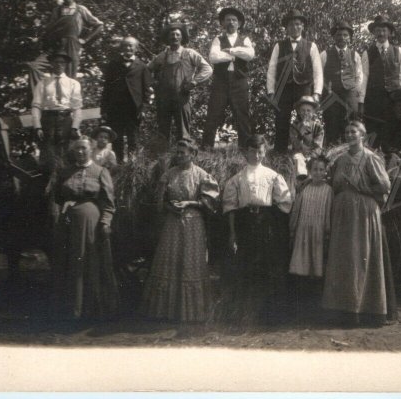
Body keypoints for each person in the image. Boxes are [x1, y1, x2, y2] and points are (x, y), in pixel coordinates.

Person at [322, 120, 397, 327]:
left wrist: (362, 187)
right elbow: (333, 184)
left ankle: (368, 311)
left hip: (363, 211)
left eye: (353, 132)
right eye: (346, 132)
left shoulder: (371, 158)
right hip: (342, 213)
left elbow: (384, 185)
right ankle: (342, 310)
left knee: (361, 256)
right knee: (344, 258)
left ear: (362, 136)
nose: (349, 135)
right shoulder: (340, 160)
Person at [140, 139, 219, 323]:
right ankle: (167, 311)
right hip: (172, 223)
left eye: (183, 152)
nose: (180, 155)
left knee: (190, 263)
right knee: (170, 262)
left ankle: (193, 313)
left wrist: (189, 203)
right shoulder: (168, 174)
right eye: (178, 152)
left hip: (193, 224)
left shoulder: (201, 175)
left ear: (193, 154)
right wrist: (169, 206)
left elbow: (209, 203)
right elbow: (159, 201)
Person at [222, 134, 293, 325]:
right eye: (252, 151)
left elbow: (285, 203)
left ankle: (268, 315)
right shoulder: (236, 179)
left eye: (259, 151)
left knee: (267, 266)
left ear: (264, 152)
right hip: (245, 223)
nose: (256, 155)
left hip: (266, 223)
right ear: (246, 152)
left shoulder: (272, 176)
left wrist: (270, 221)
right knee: (246, 265)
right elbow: (230, 207)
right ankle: (245, 314)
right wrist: (233, 233)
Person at [51, 137, 118, 320]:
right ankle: (69, 308)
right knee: (67, 260)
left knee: (86, 260)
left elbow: (109, 203)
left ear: (91, 150)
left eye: (83, 149)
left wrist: (106, 222)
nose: (80, 152)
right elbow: (57, 196)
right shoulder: (65, 172)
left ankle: (89, 309)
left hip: (90, 221)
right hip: (67, 220)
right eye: (77, 149)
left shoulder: (100, 171)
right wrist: (66, 204)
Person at [267, 10, 323, 153]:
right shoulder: (279, 45)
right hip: (283, 89)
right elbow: (272, 69)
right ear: (287, 28)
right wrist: (271, 91)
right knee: (281, 119)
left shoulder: (311, 46)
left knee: (305, 121)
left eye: (298, 24)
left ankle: (305, 153)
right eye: (291, 25)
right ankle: (280, 153)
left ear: (302, 26)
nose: (294, 27)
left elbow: (317, 71)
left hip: (304, 88)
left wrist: (316, 92)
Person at [148, 22, 213, 147]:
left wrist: (194, 82)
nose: (174, 37)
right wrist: (153, 84)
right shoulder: (162, 56)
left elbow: (208, 69)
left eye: (177, 35)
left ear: (182, 37)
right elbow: (146, 71)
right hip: (163, 98)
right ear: (168, 38)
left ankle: (184, 160)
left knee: (183, 133)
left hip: (182, 97)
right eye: (172, 35)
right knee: (162, 132)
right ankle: (162, 160)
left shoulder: (189, 53)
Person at [201, 7, 255, 149]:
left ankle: (245, 149)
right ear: (223, 23)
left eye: (234, 20)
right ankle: (206, 148)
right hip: (221, 82)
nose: (231, 22)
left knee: (242, 115)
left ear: (239, 23)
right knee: (213, 113)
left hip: (239, 81)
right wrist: (237, 54)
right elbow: (213, 57)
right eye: (228, 20)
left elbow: (250, 55)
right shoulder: (218, 40)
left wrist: (231, 51)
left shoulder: (245, 39)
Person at [288, 155, 333, 321]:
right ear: (309, 171)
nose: (318, 173)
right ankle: (301, 310)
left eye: (322, 170)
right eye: (315, 169)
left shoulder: (328, 190)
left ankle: (316, 310)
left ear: (326, 172)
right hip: (303, 232)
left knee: (317, 268)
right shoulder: (304, 189)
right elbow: (296, 211)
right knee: (302, 269)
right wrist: (293, 230)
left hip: (319, 233)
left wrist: (327, 232)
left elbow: (328, 212)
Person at [360, 15, 401, 137]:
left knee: (393, 127)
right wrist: (361, 100)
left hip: (393, 99)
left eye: (384, 30)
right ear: (374, 33)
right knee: (374, 127)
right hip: (374, 98)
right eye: (378, 31)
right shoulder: (367, 53)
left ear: (389, 33)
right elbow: (364, 77)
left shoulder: (398, 51)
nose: (381, 33)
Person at [101, 36, 154, 160]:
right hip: (115, 108)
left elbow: (148, 90)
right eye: (125, 45)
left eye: (131, 45)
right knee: (116, 138)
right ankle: (118, 164)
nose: (128, 48)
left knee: (133, 138)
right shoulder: (113, 65)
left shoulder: (141, 66)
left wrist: (144, 108)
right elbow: (106, 88)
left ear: (136, 48)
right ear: (121, 48)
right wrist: (104, 109)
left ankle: (132, 167)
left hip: (133, 109)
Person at [31, 49, 83, 172]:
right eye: (56, 62)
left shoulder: (73, 83)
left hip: (65, 120)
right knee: (48, 153)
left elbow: (77, 107)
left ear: (66, 65)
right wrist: (37, 126)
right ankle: (47, 184)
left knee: (66, 153)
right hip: (48, 120)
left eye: (62, 63)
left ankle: (64, 185)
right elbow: (36, 106)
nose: (59, 65)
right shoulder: (43, 83)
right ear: (51, 64)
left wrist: (75, 127)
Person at [41, 0, 104, 79]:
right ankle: (39, 94)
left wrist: (85, 40)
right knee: (37, 68)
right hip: (57, 45)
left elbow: (99, 25)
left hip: (72, 45)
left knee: (70, 76)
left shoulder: (80, 9)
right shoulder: (57, 10)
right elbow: (49, 29)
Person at [320, 20, 363, 145]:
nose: (342, 38)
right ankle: (332, 154)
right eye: (339, 35)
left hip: (350, 96)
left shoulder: (355, 55)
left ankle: (351, 151)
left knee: (351, 124)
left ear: (349, 38)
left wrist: (354, 92)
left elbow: (359, 76)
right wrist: (326, 89)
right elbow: (318, 75)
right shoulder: (325, 54)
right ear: (334, 37)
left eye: (345, 35)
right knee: (332, 123)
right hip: (331, 95)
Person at [289, 96, 324, 179]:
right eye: (303, 110)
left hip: (312, 155)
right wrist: (300, 134)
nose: (305, 113)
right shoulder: (294, 126)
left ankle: (310, 180)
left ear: (313, 112)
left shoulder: (317, 127)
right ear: (299, 112)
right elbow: (295, 145)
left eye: (308, 111)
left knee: (314, 163)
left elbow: (318, 146)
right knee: (297, 157)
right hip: (298, 153)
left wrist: (310, 156)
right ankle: (302, 179)